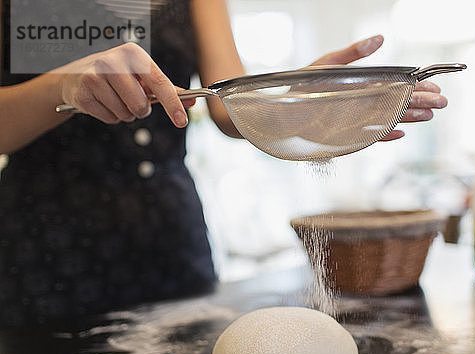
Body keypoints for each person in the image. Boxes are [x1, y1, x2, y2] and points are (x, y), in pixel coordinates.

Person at [0, 0, 448, 327]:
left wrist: (294, 104)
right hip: (45, 247)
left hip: (172, 240)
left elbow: (226, 107)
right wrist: (60, 85)